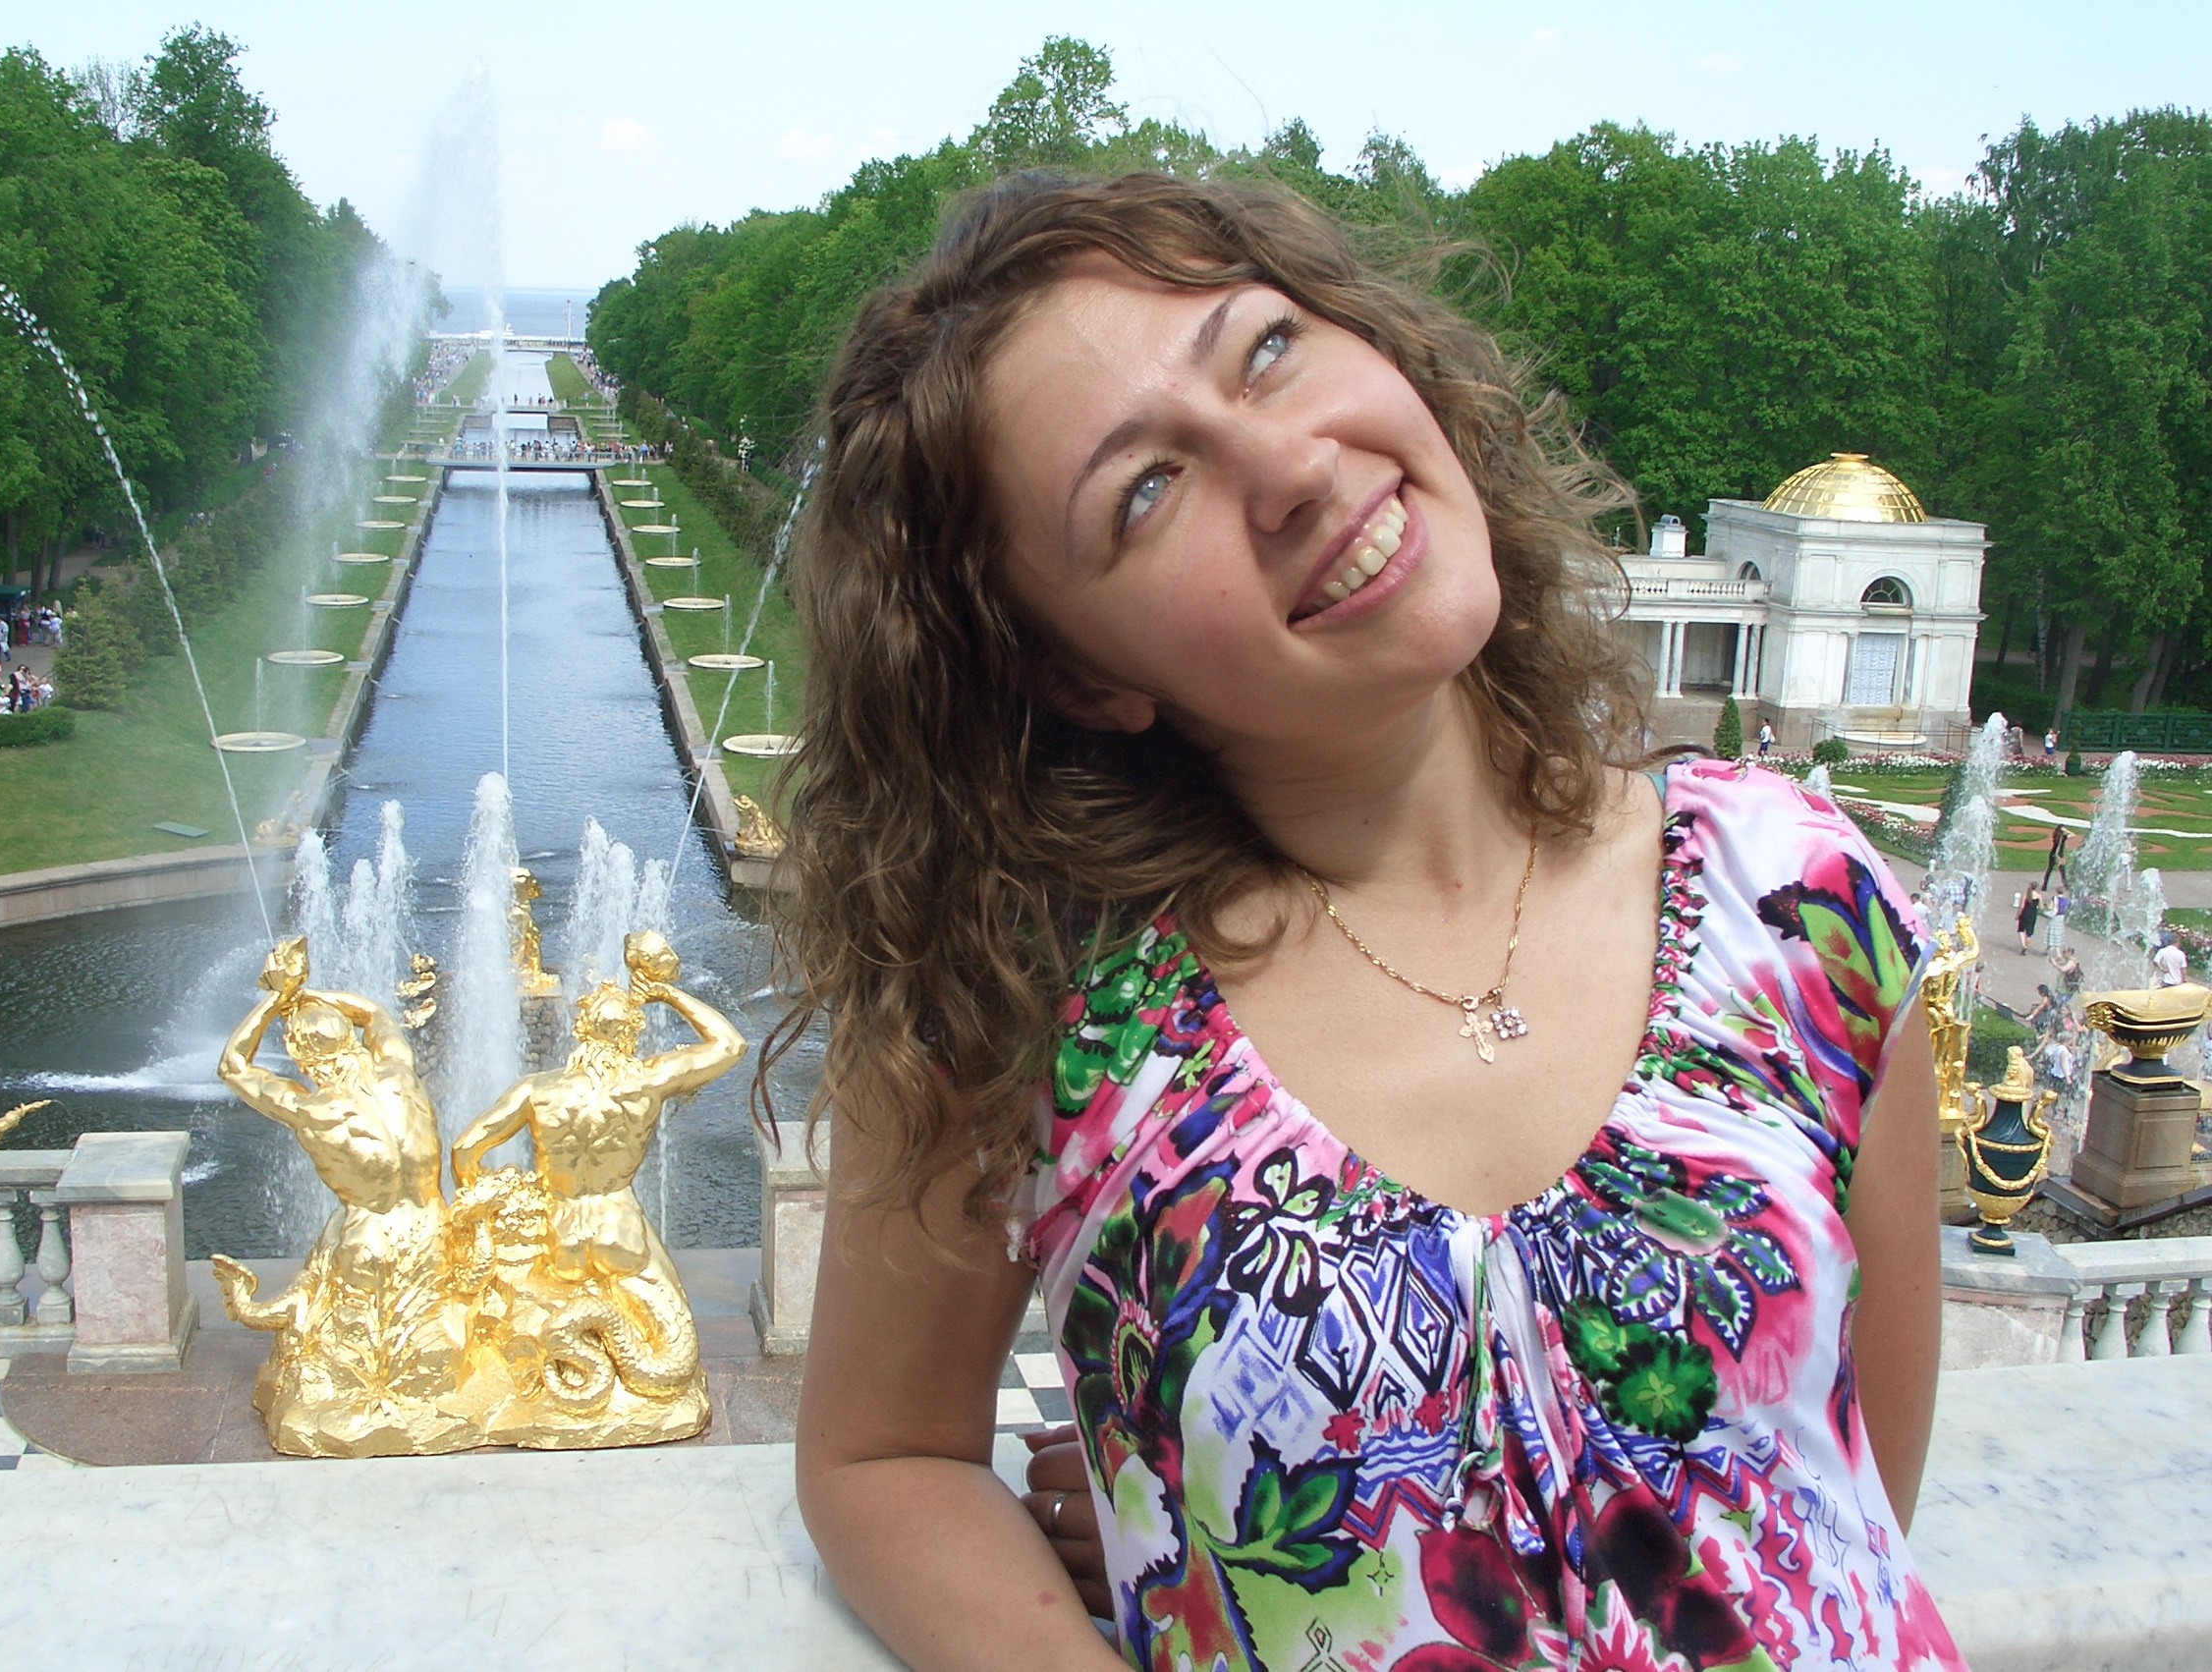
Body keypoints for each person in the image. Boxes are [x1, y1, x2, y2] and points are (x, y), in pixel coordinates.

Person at [779, 173, 1960, 1671]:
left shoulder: (1795, 893)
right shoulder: (1035, 1010)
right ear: (1083, 675)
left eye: (1266, 349)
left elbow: (1848, 1503)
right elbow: (881, 1455)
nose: (1291, 468)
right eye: (1145, 491)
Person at [2017, 884, 2041, 954]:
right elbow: (2041, 907)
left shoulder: (2026, 895)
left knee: (2021, 929)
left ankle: (2023, 944)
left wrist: (2018, 914)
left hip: (2025, 913)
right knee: (2029, 931)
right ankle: (2026, 943)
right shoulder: (2039, 896)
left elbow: (2022, 906)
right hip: (2033, 914)